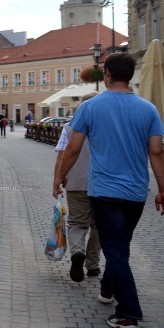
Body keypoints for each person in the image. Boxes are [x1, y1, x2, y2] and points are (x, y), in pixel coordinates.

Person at [53, 52, 164, 328]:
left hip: (104, 192)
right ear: (130, 76)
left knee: (116, 249)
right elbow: (156, 152)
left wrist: (60, 176)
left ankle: (128, 313)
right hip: (135, 192)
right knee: (120, 246)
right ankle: (107, 288)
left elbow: (73, 148)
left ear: (106, 74)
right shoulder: (149, 109)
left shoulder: (92, 107)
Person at [53, 92, 101, 283]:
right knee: (98, 227)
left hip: (75, 182)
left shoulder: (69, 127)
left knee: (77, 223)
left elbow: (61, 155)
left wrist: (57, 178)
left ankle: (77, 252)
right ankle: (93, 264)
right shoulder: (106, 127)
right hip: (101, 184)